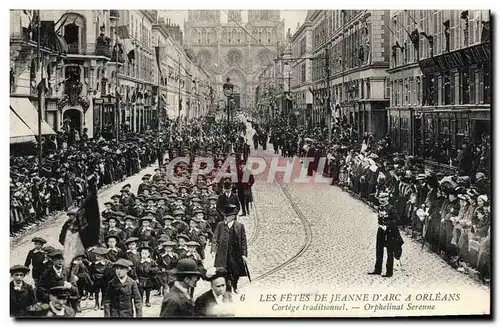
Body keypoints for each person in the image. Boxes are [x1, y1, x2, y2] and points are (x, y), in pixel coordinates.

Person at [212, 204, 248, 293]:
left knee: (235, 271)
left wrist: (244, 254)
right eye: (225, 216)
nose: (226, 218)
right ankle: (228, 289)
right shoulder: (220, 225)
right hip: (222, 253)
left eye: (228, 216)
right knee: (223, 271)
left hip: (235, 253)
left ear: (233, 217)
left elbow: (243, 241)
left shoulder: (239, 226)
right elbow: (215, 238)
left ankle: (235, 286)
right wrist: (213, 250)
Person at [368, 193, 401, 278]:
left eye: (383, 198)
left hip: (389, 232)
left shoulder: (391, 209)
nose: (381, 200)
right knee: (379, 250)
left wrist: (387, 226)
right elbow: (380, 217)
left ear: (387, 198)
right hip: (381, 231)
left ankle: (389, 272)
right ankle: (377, 269)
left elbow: (396, 220)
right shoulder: (381, 207)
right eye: (380, 198)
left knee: (390, 252)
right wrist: (380, 225)